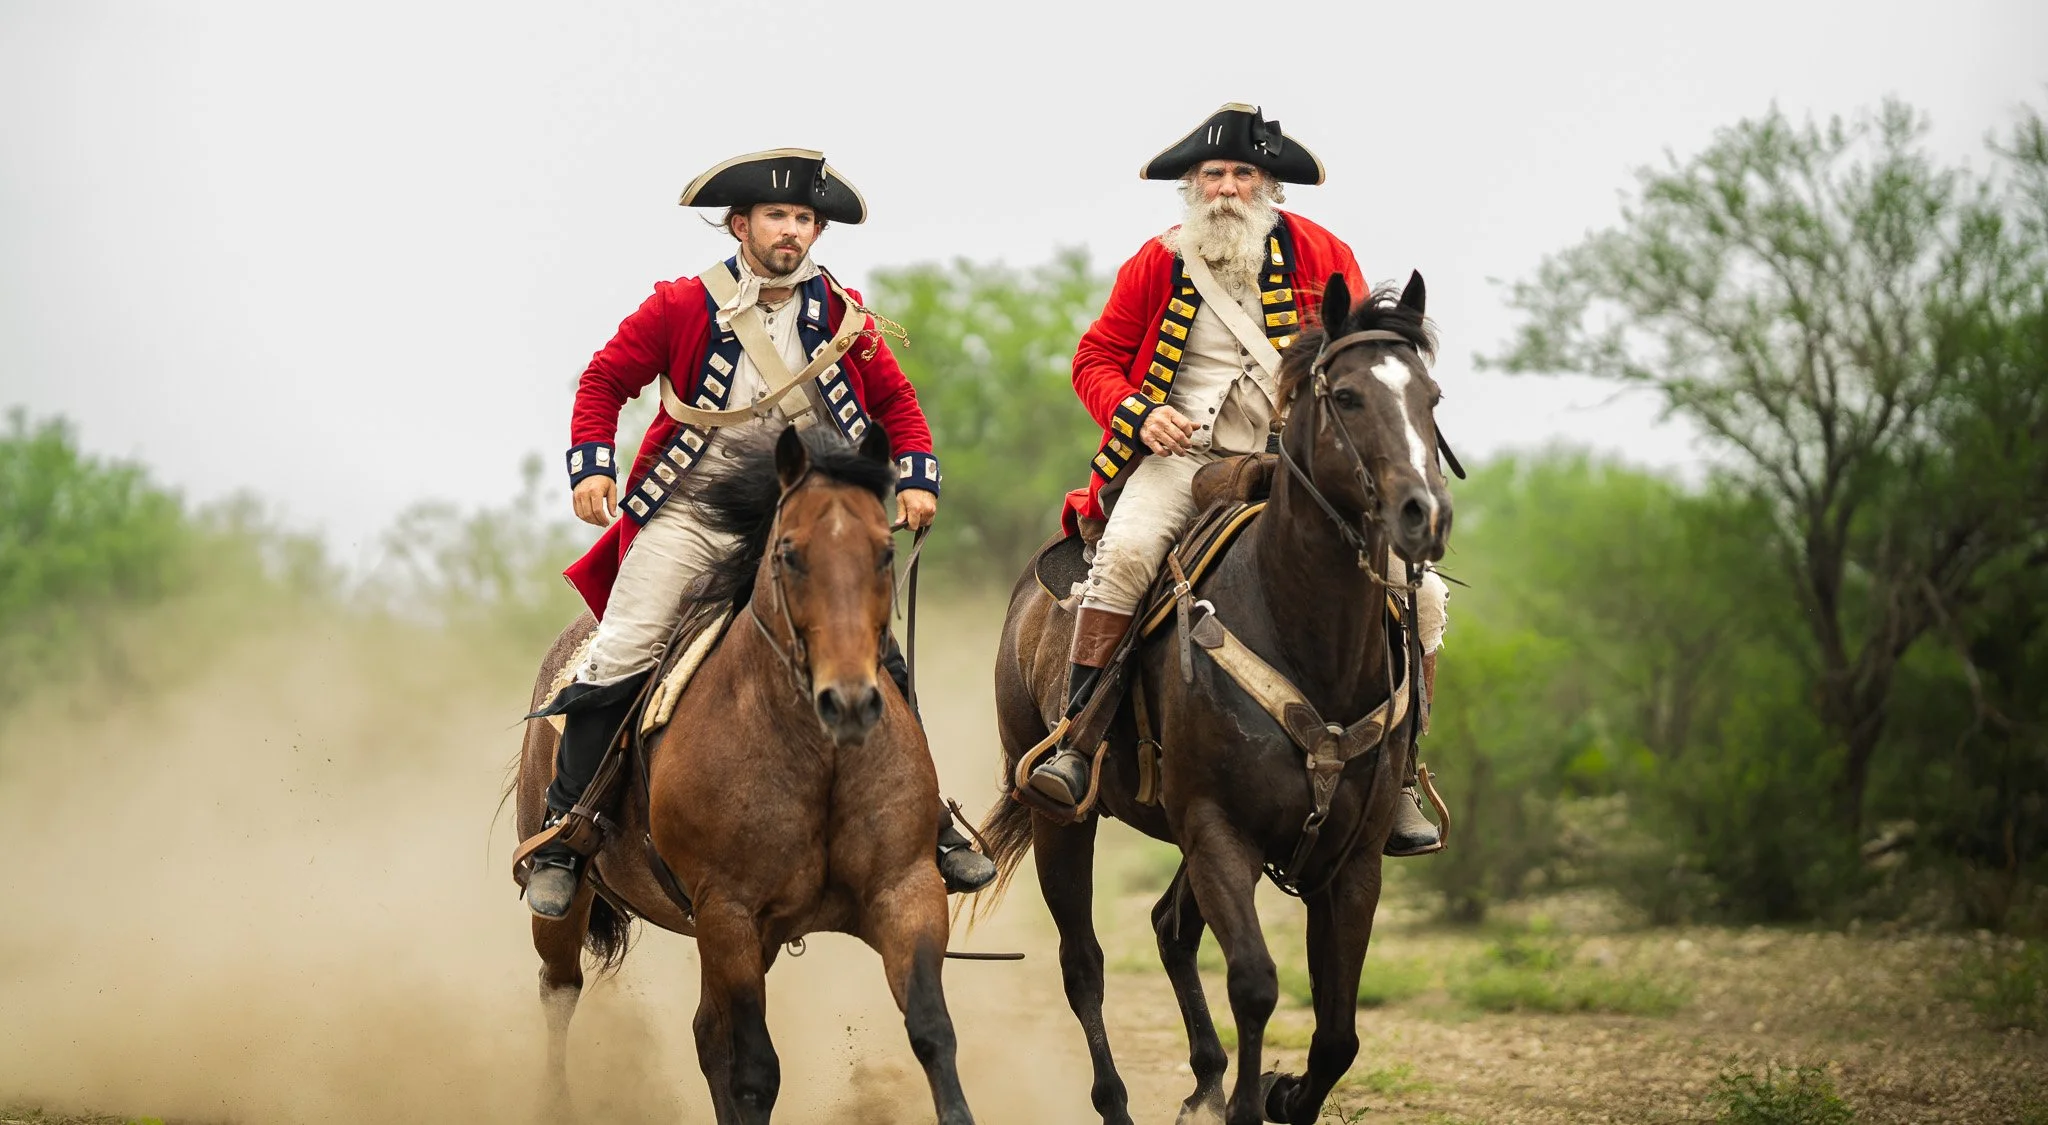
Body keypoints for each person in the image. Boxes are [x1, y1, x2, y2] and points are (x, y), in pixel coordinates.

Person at [524, 148, 995, 919]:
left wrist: (915, 476)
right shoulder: (681, 305)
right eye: (778, 216)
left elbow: (900, 409)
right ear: (741, 224)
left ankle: (929, 823)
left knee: (878, 654)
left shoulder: (845, 317)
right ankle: (566, 830)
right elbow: (604, 379)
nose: (793, 231)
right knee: (621, 649)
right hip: (693, 512)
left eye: (805, 219)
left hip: (802, 519)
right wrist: (591, 465)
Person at [1027, 105, 1448, 854]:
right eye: (1213, 174)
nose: (1226, 188)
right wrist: (1139, 413)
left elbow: (1358, 360)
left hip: (1297, 468)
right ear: (1192, 184)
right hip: (1182, 463)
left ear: (1269, 187)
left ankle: (1404, 771)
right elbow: (1093, 359)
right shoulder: (1155, 261)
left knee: (1423, 592)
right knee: (1122, 559)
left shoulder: (1326, 253)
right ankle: (1077, 739)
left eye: (1242, 174)